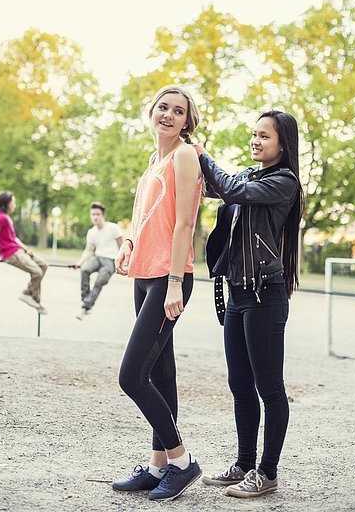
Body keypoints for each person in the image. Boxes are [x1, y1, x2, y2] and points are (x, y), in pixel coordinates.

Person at [196, 109, 304, 499]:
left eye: (264, 136)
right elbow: (216, 187)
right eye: (254, 134)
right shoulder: (249, 175)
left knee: (269, 389)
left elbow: (230, 189)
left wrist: (205, 156)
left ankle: (267, 473)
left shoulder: (284, 182)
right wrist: (188, 157)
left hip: (265, 297)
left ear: (282, 144)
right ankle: (243, 464)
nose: (256, 141)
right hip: (240, 294)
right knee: (239, 385)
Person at [112, 86, 203, 502]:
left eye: (178, 110)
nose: (168, 114)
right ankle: (157, 467)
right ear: (152, 112)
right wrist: (128, 242)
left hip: (169, 277)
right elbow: (144, 217)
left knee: (131, 376)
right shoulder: (154, 161)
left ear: (187, 120)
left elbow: (185, 223)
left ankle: (183, 462)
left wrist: (174, 282)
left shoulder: (185, 154)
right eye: (163, 107)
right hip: (144, 275)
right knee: (161, 374)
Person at [0, 191, 48, 314]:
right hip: (11, 254)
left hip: (18, 250)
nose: (14, 205)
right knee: (37, 272)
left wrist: (26, 249)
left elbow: (13, 238)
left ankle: (31, 295)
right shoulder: (1, 218)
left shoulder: (6, 218)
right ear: (6, 204)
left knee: (43, 265)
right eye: (12, 202)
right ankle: (29, 296)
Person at [73, 202, 123, 320]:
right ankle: (86, 300)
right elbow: (89, 250)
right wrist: (79, 263)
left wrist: (122, 262)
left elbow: (122, 245)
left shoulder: (113, 228)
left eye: (98, 214)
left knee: (100, 280)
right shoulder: (92, 232)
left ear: (102, 215)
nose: (95, 217)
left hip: (111, 260)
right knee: (84, 269)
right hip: (98, 257)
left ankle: (85, 307)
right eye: (93, 214)